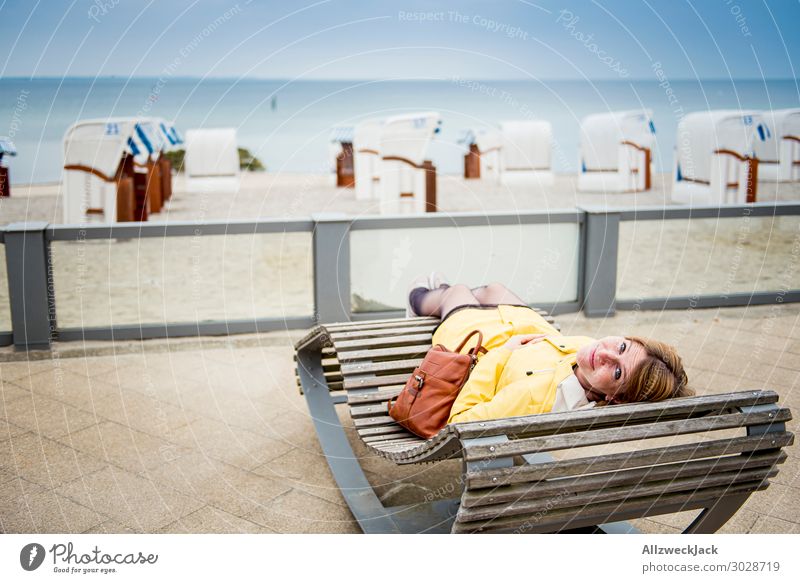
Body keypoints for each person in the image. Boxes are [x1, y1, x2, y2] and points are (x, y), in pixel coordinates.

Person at [406, 273, 692, 424]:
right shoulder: (590, 371)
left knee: (457, 291)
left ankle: (422, 298)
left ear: (615, 399)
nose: (604, 353)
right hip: (526, 327)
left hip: (484, 340)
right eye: (621, 345)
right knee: (493, 288)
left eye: (617, 371)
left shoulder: (534, 397)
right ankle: (443, 291)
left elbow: (459, 422)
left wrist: (503, 353)